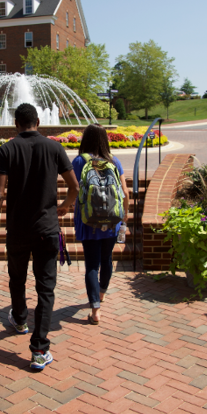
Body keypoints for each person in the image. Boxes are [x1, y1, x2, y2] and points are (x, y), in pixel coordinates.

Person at [0, 103, 79, 371]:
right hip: (47, 230)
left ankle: (20, 320)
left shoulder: (7, 149)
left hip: (17, 229)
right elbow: (74, 187)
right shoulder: (54, 148)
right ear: (38, 121)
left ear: (16, 123)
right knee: (45, 288)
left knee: (17, 278)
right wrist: (64, 205)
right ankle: (39, 349)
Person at [73, 124, 129, 325]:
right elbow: (125, 192)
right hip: (112, 218)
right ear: (105, 139)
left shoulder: (79, 161)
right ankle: (102, 294)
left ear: (85, 139)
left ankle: (95, 310)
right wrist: (125, 214)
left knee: (91, 265)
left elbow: (74, 189)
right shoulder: (114, 161)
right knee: (106, 259)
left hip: (88, 220)